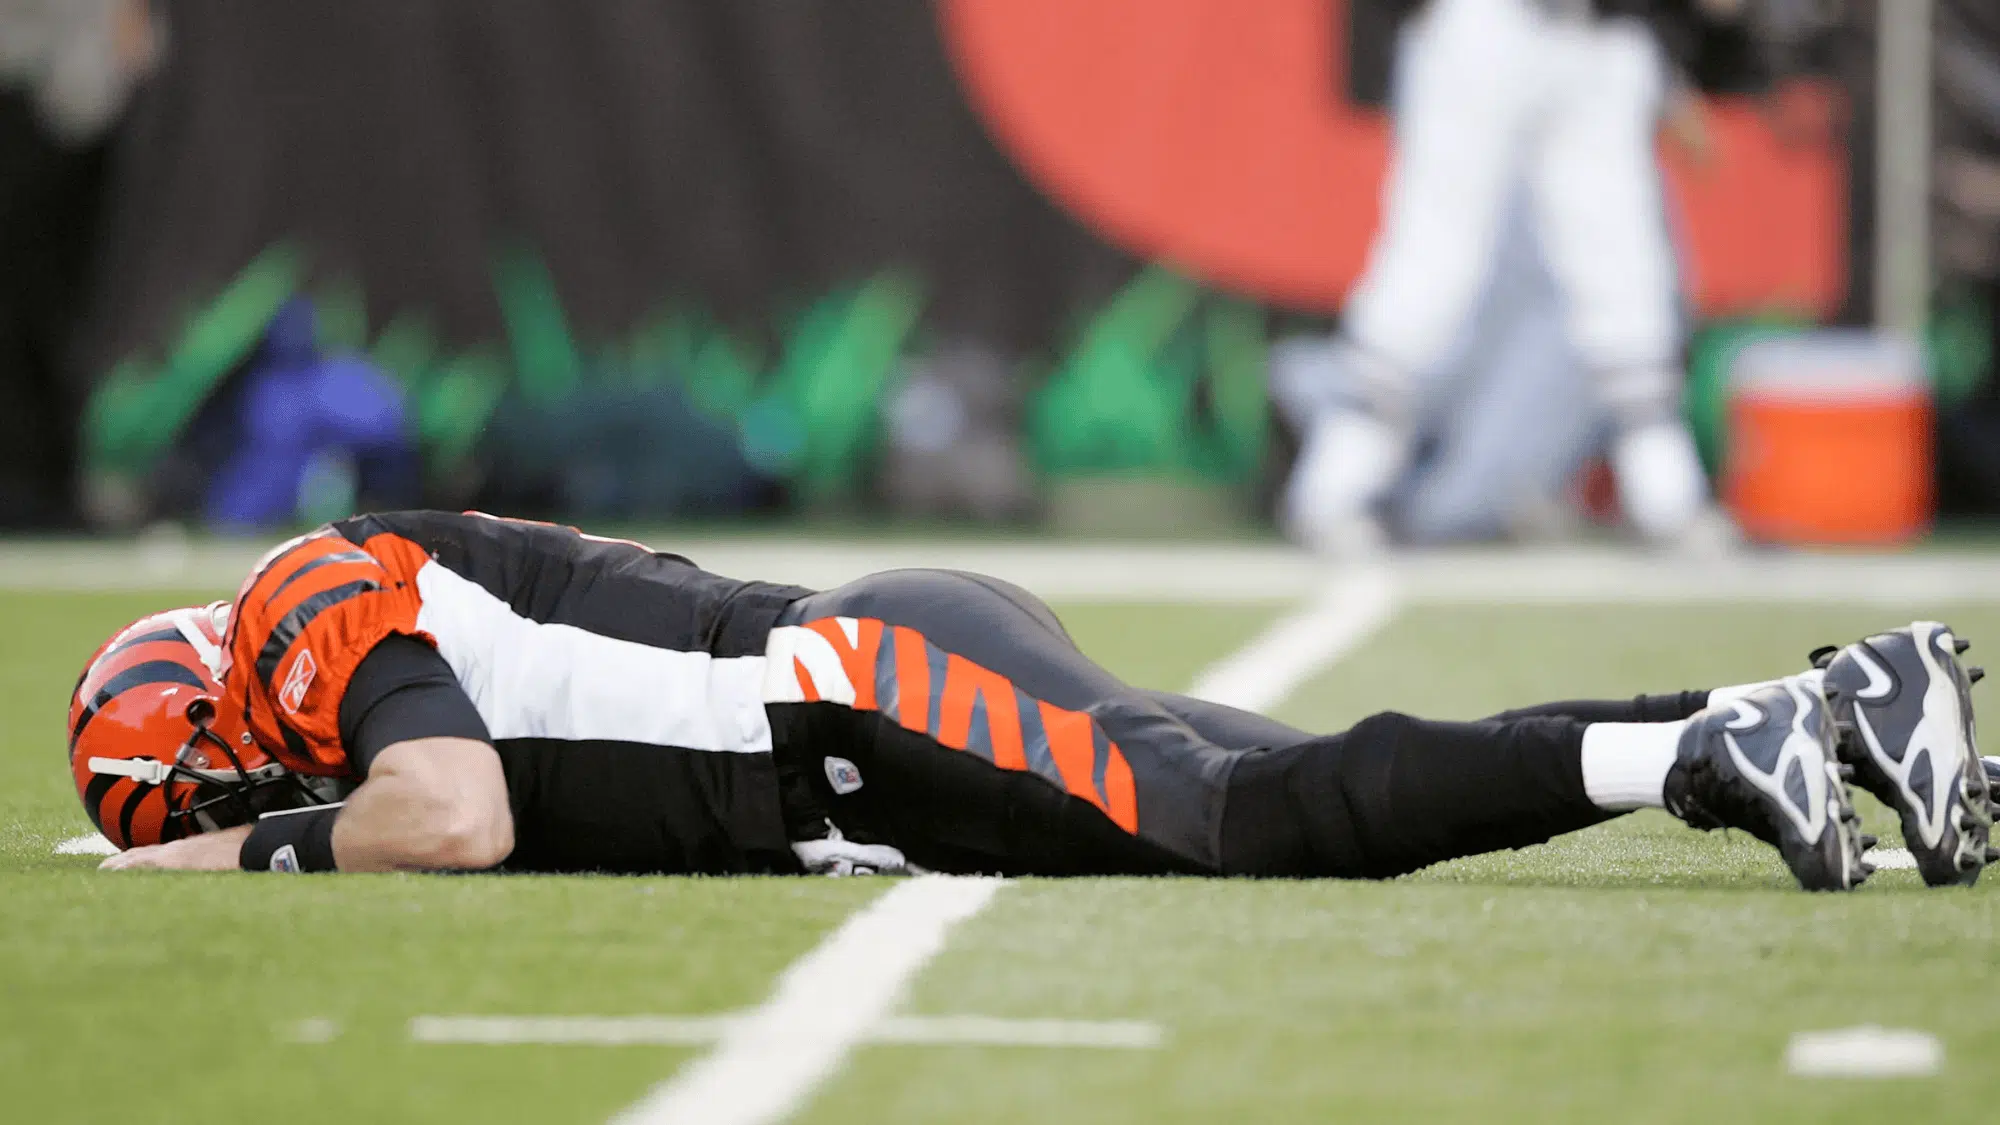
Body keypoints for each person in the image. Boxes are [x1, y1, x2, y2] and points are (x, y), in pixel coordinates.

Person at [73, 510, 1996, 889]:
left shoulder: (292, 602)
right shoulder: (330, 611)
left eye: (203, 795)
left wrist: (242, 860)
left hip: (862, 693)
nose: (234, 805)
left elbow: (449, 819)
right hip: (872, 715)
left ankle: (1697, 752)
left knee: (1271, 827)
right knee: (1304, 781)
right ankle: (1833, 704)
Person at [1283, 0, 1727, 553]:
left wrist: (1671, 51)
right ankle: (1335, 490)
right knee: (1432, 258)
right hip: (1488, 24)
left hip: (1605, 30)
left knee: (1625, 269)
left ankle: (1668, 497)